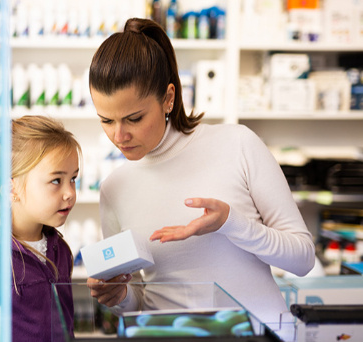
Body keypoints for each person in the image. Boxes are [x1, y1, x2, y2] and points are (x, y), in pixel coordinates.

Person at [86, 18, 315, 324]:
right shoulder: (114, 189)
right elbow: (141, 299)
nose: (118, 136)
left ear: (168, 98)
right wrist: (121, 296)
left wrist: (232, 224)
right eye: (106, 120)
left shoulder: (238, 144)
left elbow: (303, 259)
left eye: (134, 118)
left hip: (258, 332)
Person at [0, 115, 82, 341]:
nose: (69, 193)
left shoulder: (61, 251)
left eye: (73, 179)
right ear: (11, 188)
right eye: (56, 181)